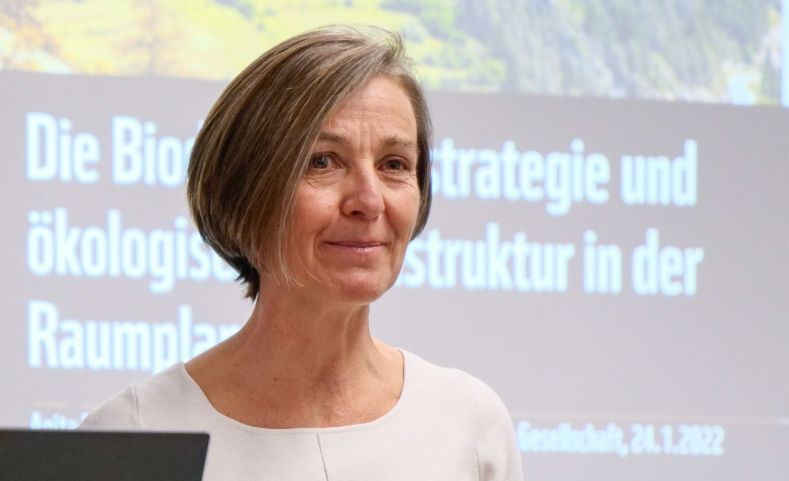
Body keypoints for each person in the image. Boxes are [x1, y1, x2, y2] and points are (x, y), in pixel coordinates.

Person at [80, 26, 524, 481]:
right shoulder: (133, 435)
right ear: (245, 190)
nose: (368, 201)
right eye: (323, 161)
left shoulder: (469, 425)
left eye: (394, 165)